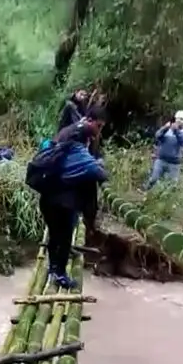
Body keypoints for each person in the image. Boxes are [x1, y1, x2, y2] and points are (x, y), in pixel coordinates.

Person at [40, 113, 108, 289]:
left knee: (54, 235)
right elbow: (100, 174)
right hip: (64, 203)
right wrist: (97, 163)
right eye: (98, 127)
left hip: (47, 198)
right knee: (64, 239)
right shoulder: (79, 153)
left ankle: (52, 268)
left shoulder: (57, 150)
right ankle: (60, 275)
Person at [144, 110, 183, 190]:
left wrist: (176, 130)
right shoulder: (167, 129)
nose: (180, 121)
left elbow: (182, 140)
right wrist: (165, 128)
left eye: (182, 119)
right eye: (179, 119)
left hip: (174, 163)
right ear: (175, 118)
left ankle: (164, 200)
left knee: (172, 185)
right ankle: (145, 191)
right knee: (154, 179)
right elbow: (157, 135)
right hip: (161, 160)